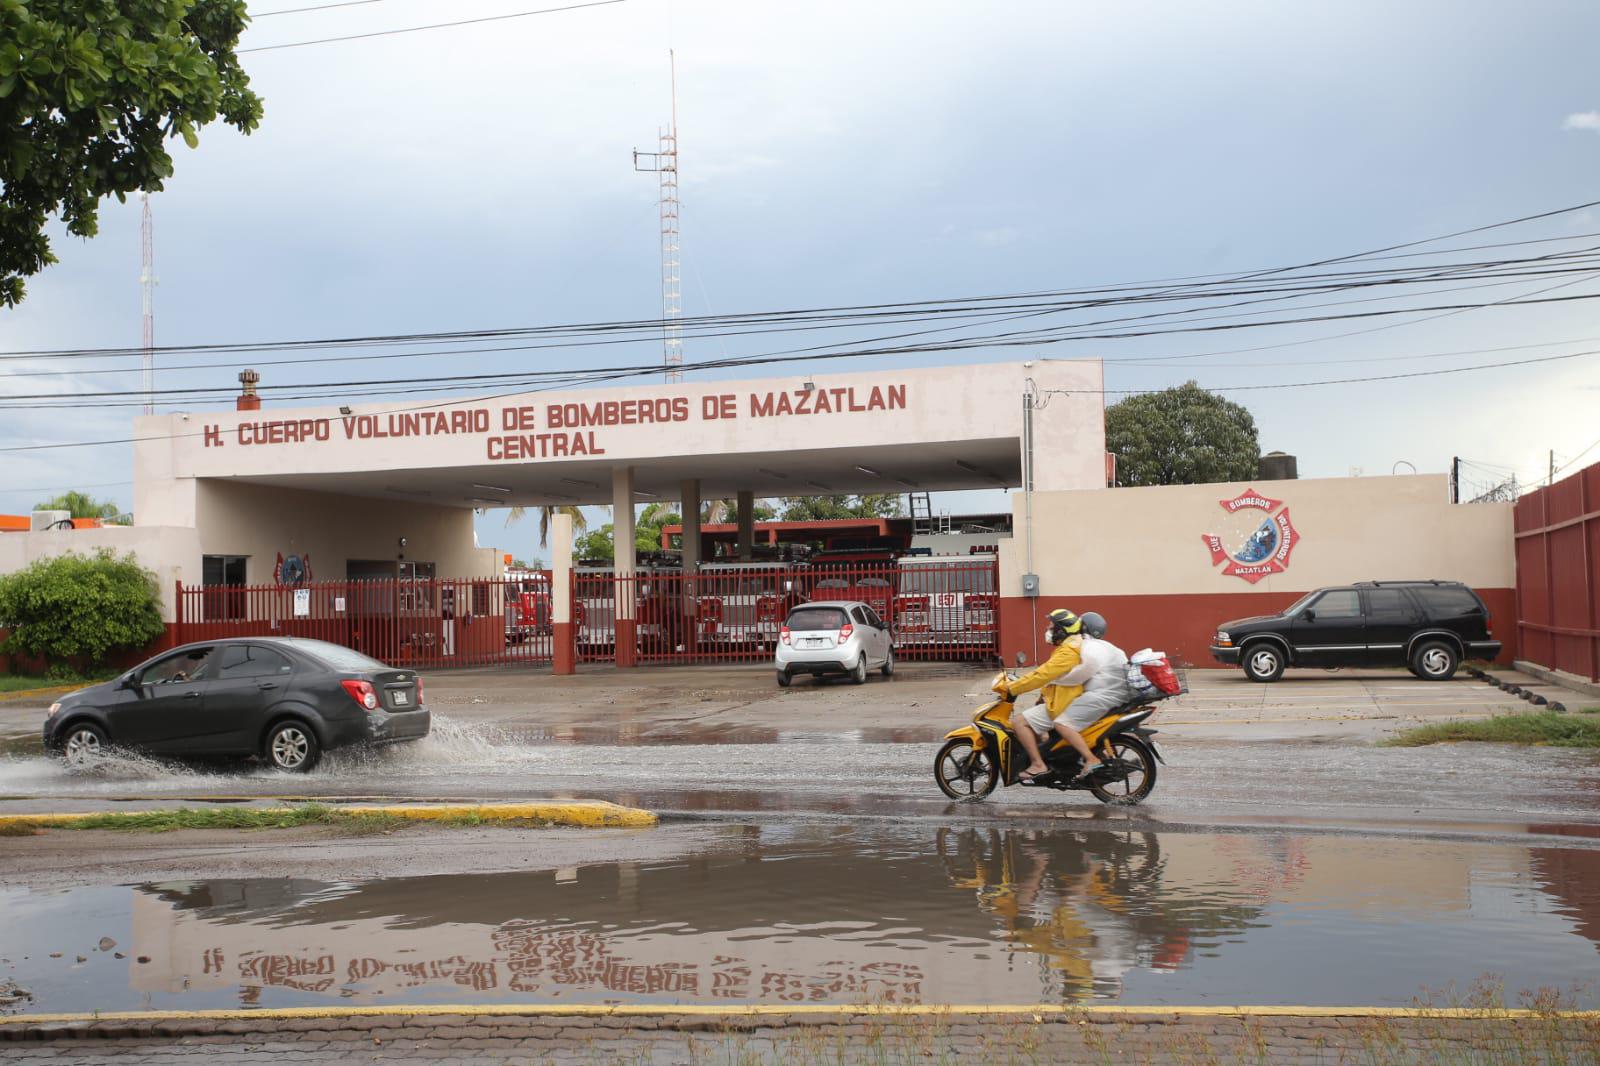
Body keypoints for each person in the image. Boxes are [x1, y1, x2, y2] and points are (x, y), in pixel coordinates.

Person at [1046, 610, 1137, 784]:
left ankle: (1091, 758)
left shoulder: (1089, 646)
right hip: (1118, 695)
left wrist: (1059, 680)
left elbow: (1085, 670)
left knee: (1061, 723)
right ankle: (1089, 758)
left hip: (1103, 696)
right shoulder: (1109, 646)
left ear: (1083, 627)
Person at [1002, 608, 1087, 784]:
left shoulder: (1068, 651)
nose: (1048, 630)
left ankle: (1038, 764)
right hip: (1068, 699)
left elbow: (1042, 675)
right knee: (1036, 718)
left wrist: (1014, 687)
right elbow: (1055, 678)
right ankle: (1046, 755)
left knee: (1019, 722)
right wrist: (1041, 698)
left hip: (1065, 704)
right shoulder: (1072, 646)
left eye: (1051, 627)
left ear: (1061, 630)